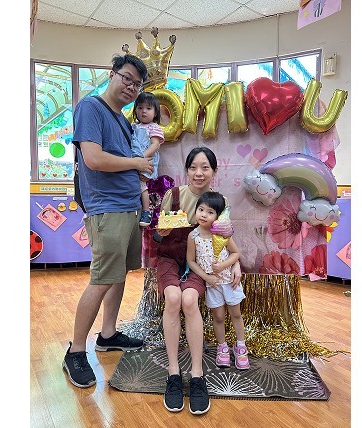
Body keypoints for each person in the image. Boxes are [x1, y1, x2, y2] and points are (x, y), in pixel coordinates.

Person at [62, 53, 154, 389]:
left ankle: (108, 334)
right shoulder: (91, 107)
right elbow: (94, 159)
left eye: (137, 84)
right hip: (107, 208)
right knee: (101, 279)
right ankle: (75, 351)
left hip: (127, 207)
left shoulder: (122, 119)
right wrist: (136, 164)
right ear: (112, 74)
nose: (131, 87)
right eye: (126, 78)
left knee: (119, 274)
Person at [154, 147, 242, 415]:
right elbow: (157, 236)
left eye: (205, 167)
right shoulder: (174, 195)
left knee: (189, 300)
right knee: (173, 298)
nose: (199, 173)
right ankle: (173, 373)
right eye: (193, 167)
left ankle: (197, 374)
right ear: (187, 170)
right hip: (170, 258)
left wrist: (236, 263)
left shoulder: (219, 201)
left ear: (214, 171)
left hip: (201, 263)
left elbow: (225, 239)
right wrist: (161, 232)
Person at [186, 191, 250, 371]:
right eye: (201, 209)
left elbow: (236, 253)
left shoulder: (222, 234)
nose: (203, 215)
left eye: (210, 212)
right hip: (212, 285)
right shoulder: (193, 236)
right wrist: (206, 277)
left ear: (218, 216)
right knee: (218, 316)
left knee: (236, 314)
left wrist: (223, 265)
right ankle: (222, 347)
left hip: (230, 282)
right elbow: (191, 261)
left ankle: (240, 346)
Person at [131, 91, 164, 227]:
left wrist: (141, 158)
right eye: (140, 108)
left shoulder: (153, 127)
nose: (143, 111)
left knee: (142, 185)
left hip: (146, 161)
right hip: (133, 160)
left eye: (148, 108)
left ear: (155, 113)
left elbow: (155, 145)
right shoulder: (133, 126)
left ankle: (146, 211)